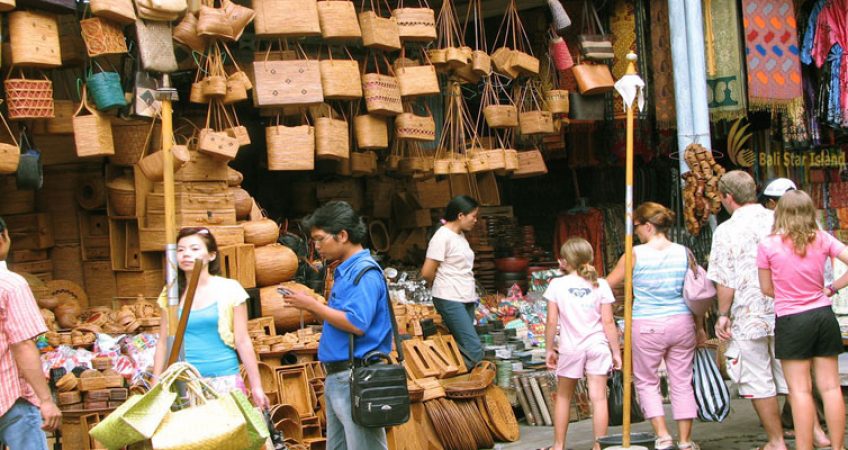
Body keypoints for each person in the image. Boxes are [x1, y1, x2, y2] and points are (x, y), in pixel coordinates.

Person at [283, 201, 392, 450]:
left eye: (320, 239)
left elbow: (356, 323)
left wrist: (313, 306)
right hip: (342, 376)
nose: (317, 247)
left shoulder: (364, 273)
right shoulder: (348, 271)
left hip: (356, 377)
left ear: (342, 235)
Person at [708, 170, 799, 450]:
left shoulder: (726, 231)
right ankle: (815, 434)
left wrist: (723, 314)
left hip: (749, 314)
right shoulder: (780, 220)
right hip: (788, 308)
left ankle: (776, 441)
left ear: (728, 197)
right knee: (795, 377)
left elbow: (726, 280)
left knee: (758, 379)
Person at [607, 202, 705, 450]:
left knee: (646, 382)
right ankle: (685, 441)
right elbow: (697, 293)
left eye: (637, 226)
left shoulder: (634, 255)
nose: (636, 231)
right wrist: (700, 326)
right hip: (682, 322)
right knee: (682, 382)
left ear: (648, 226)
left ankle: (663, 436)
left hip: (647, 324)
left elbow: (608, 284)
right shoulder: (685, 252)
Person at [757, 190, 846, 450]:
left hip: (791, 319)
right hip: (823, 315)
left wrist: (788, 292)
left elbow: (765, 288)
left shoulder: (768, 245)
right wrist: (831, 288)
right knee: (830, 388)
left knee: (800, 391)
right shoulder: (822, 238)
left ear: (779, 211)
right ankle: (838, 447)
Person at [152, 227, 269, 410]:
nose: (186, 254)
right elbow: (163, 343)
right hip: (185, 382)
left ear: (212, 255)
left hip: (224, 378)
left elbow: (243, 340)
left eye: (194, 249)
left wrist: (256, 386)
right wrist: (155, 383)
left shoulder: (230, 289)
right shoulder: (171, 293)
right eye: (180, 250)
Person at [544, 238, 621, 450]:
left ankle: (558, 446)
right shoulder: (601, 284)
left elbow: (551, 321)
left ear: (565, 262)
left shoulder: (557, 285)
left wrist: (549, 349)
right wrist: (616, 352)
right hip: (598, 345)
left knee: (563, 396)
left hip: (571, 347)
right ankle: (599, 447)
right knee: (598, 399)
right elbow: (608, 321)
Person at [0, 216, 61, 449]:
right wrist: (46, 400)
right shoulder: (11, 286)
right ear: (4, 237)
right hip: (11, 397)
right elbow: (22, 345)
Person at [421, 195, 483, 369]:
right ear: (460, 215)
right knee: (474, 349)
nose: (475, 220)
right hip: (449, 296)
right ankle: (458, 383)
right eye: (473, 216)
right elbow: (426, 272)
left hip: (464, 296)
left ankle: (459, 382)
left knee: (462, 345)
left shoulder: (459, 235)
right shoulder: (442, 237)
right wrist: (441, 284)